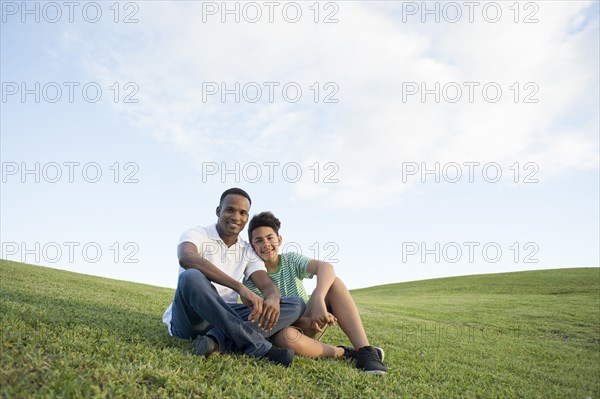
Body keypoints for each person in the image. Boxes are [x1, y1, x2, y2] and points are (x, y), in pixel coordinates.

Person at [162, 188, 305, 367]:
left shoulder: (247, 251)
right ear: (218, 211)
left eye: (243, 213)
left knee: (296, 304)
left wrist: (273, 297)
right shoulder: (197, 233)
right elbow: (186, 258)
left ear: (246, 217)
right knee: (191, 277)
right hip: (190, 319)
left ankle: (216, 341)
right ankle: (257, 346)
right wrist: (239, 287)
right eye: (230, 210)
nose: (236, 217)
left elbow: (266, 284)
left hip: (225, 316)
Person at [243, 211, 388, 375]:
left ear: (279, 240)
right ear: (252, 247)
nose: (266, 244)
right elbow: (266, 323)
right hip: (284, 332)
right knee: (286, 337)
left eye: (270, 238)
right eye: (259, 240)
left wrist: (319, 300)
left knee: (335, 282)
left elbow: (326, 267)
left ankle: (366, 351)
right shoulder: (250, 281)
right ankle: (345, 353)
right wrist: (306, 322)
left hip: (311, 317)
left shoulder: (290, 259)